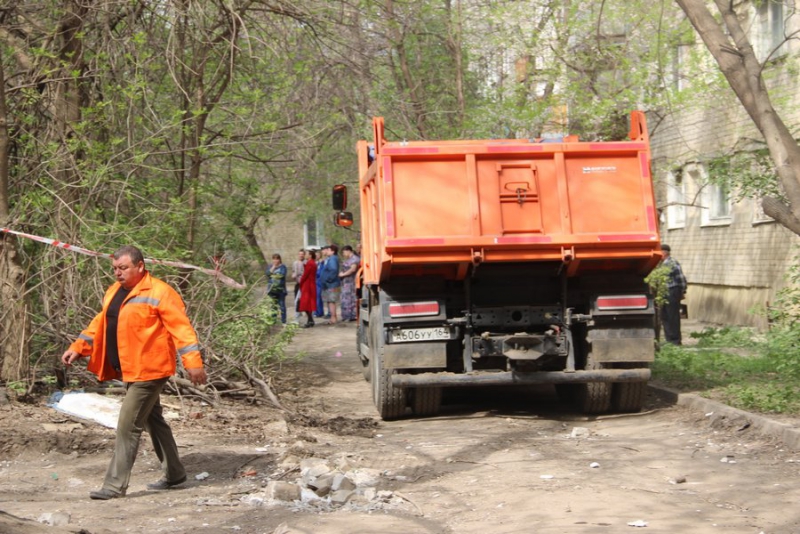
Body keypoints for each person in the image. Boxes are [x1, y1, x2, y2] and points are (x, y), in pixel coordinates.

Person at [61, 245, 207, 500]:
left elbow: (182, 330)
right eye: (115, 269)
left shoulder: (161, 292)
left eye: (123, 268)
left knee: (127, 425)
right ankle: (175, 474)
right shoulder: (114, 292)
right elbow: (101, 322)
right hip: (130, 369)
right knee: (154, 420)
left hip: (150, 370)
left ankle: (114, 485)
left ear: (140, 266)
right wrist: (79, 346)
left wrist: (193, 362)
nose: (118, 273)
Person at [660, 244, 687, 345]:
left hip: (672, 290)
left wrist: (682, 291)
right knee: (665, 316)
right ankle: (669, 339)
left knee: (673, 316)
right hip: (663, 291)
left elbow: (680, 278)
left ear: (664, 252)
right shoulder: (661, 264)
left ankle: (675, 341)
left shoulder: (672, 263)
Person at [319, 244, 341, 324]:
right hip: (328, 285)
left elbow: (333, 270)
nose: (327, 251)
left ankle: (333, 318)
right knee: (329, 301)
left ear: (332, 251)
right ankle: (332, 318)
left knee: (331, 301)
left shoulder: (333, 259)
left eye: (328, 250)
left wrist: (328, 279)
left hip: (331, 284)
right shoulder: (330, 259)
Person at [338, 245, 360, 322]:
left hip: (351, 282)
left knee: (350, 299)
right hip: (345, 282)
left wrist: (343, 274)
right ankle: (346, 315)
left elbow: (353, 269)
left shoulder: (355, 259)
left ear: (348, 251)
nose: (343, 254)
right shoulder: (349, 259)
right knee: (345, 299)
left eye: (344, 252)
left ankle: (351, 315)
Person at [298, 250, 318, 328]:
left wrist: (301, 282)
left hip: (308, 284)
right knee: (308, 303)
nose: (305, 255)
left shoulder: (310, 263)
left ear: (310, 255)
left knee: (306, 303)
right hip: (310, 284)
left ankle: (310, 320)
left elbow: (305, 275)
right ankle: (310, 320)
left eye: (306, 254)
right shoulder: (312, 263)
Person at [266, 253, 288, 324]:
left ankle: (283, 321)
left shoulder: (283, 267)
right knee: (273, 306)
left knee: (282, 306)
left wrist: (272, 275)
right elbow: (267, 274)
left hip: (280, 290)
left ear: (279, 259)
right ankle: (273, 320)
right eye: (274, 259)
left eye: (277, 259)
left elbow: (281, 275)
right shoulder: (270, 266)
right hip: (272, 290)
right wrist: (273, 267)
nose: (275, 261)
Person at [291, 249, 305, 322]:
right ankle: (298, 314)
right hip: (297, 284)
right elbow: (293, 272)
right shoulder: (295, 263)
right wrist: (293, 275)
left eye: (302, 254)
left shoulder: (306, 263)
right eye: (300, 254)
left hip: (304, 285)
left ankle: (297, 318)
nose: (301, 255)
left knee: (299, 301)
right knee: (296, 300)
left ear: (304, 255)